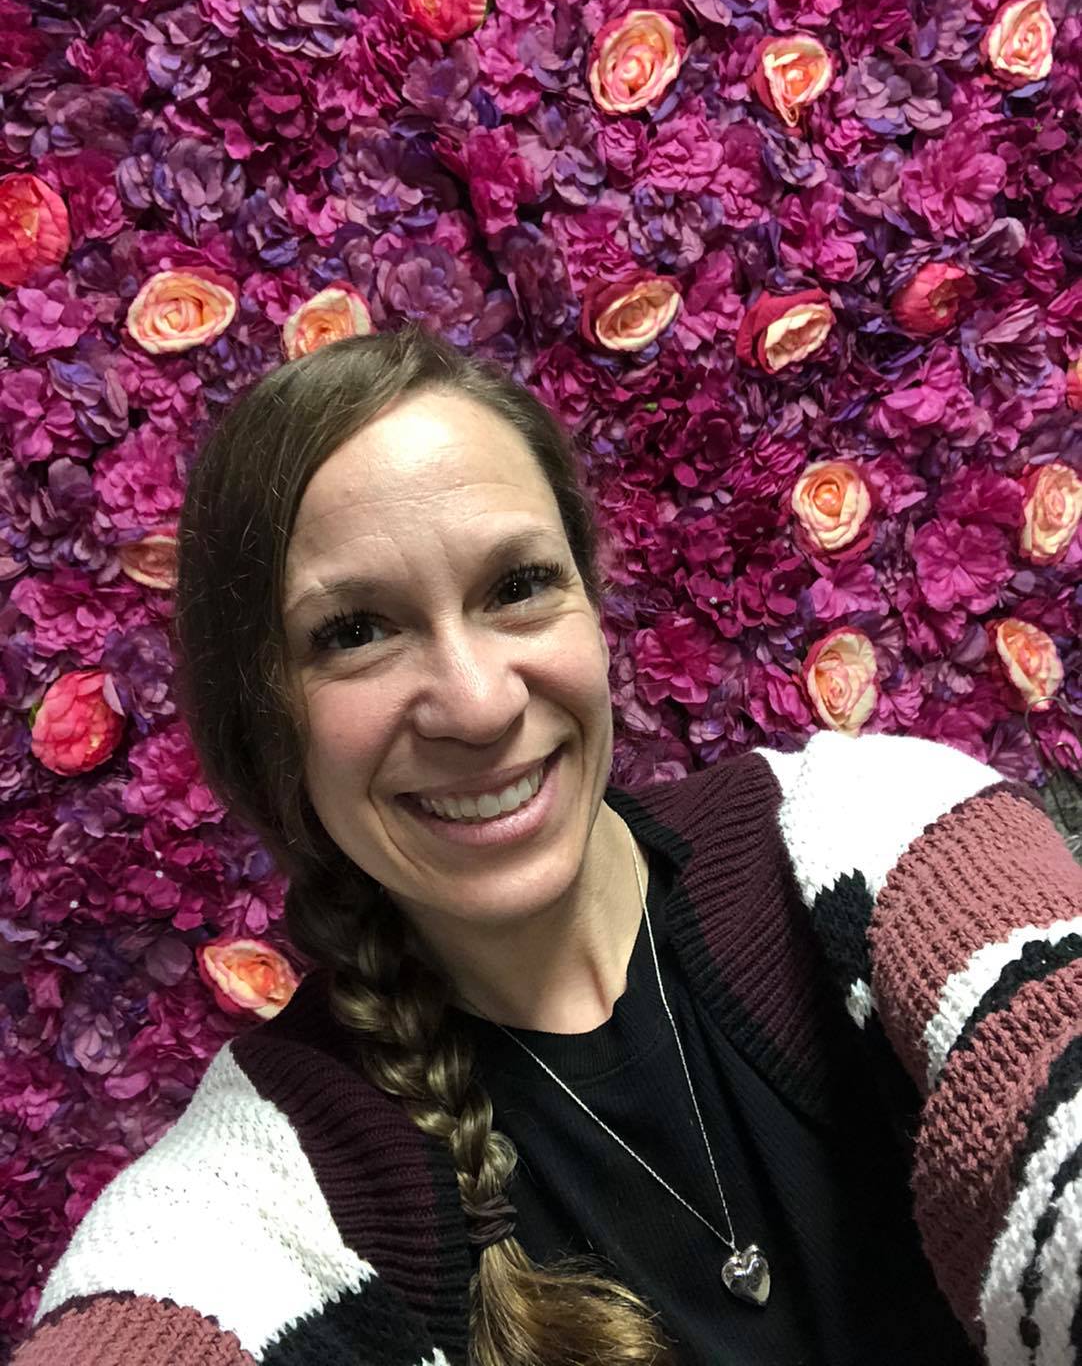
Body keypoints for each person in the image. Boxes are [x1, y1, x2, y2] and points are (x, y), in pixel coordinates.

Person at [15, 325, 1082, 1366]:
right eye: (356, 632)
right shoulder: (265, 1178)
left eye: (518, 587)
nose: (478, 705)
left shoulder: (875, 832)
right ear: (264, 721)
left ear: (590, 604)